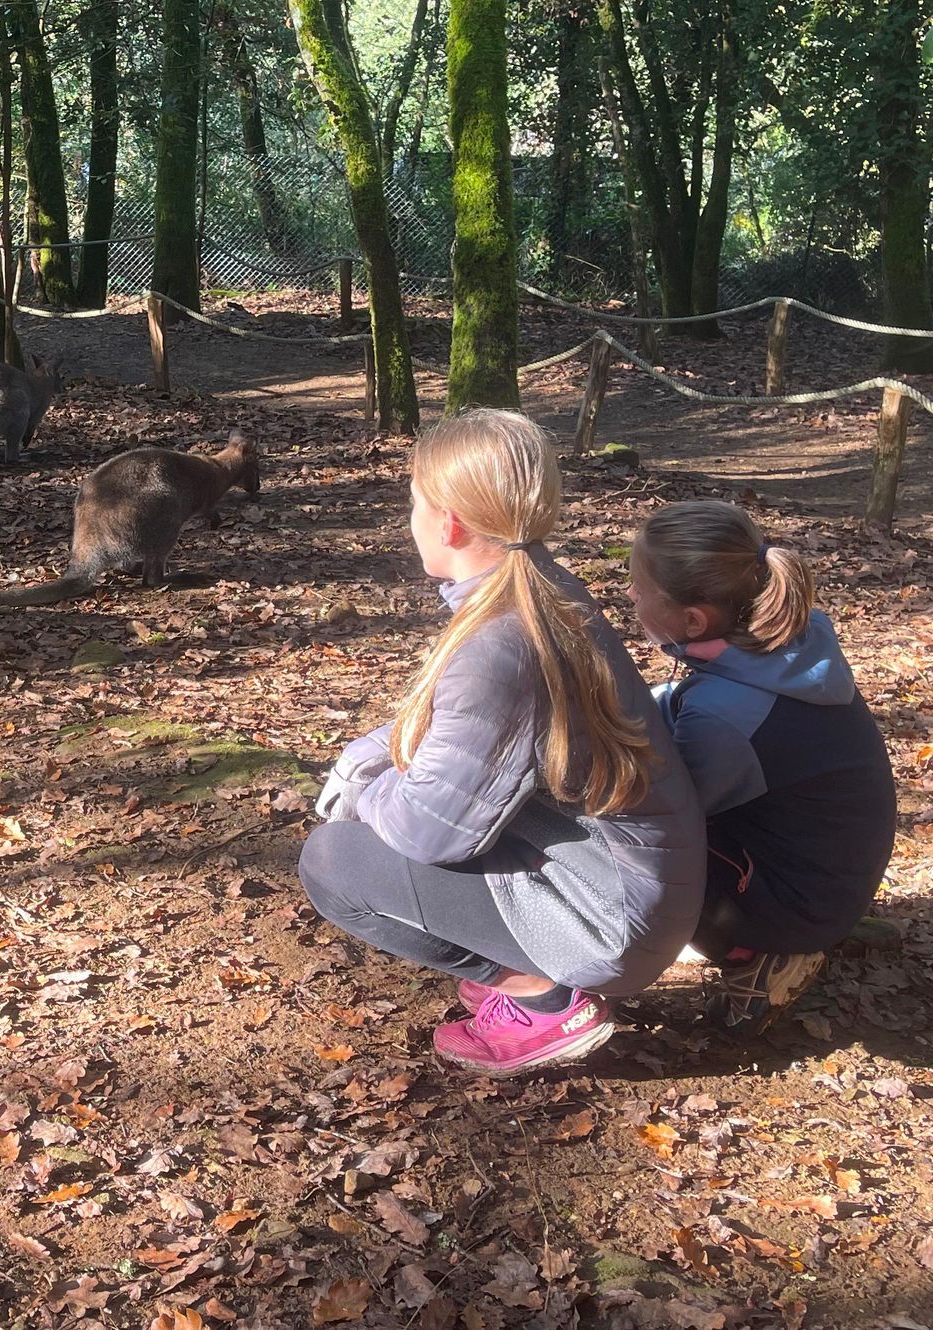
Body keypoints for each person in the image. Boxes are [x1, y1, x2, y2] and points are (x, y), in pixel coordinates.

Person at [302, 409, 706, 1076]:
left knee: (336, 863)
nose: (409, 523)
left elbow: (428, 834)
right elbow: (463, 731)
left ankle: (540, 997)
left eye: (413, 506)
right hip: (636, 885)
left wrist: (364, 791)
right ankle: (528, 964)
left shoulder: (499, 645)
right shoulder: (539, 587)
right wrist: (371, 751)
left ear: (451, 523)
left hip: (613, 920)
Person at [628, 500, 896, 1035]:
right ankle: (796, 928)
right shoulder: (787, 641)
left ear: (692, 620)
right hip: (832, 876)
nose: (631, 594)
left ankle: (765, 954)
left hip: (800, 904)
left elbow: (664, 814)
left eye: (638, 587)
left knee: (627, 847)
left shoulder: (727, 716)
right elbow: (680, 704)